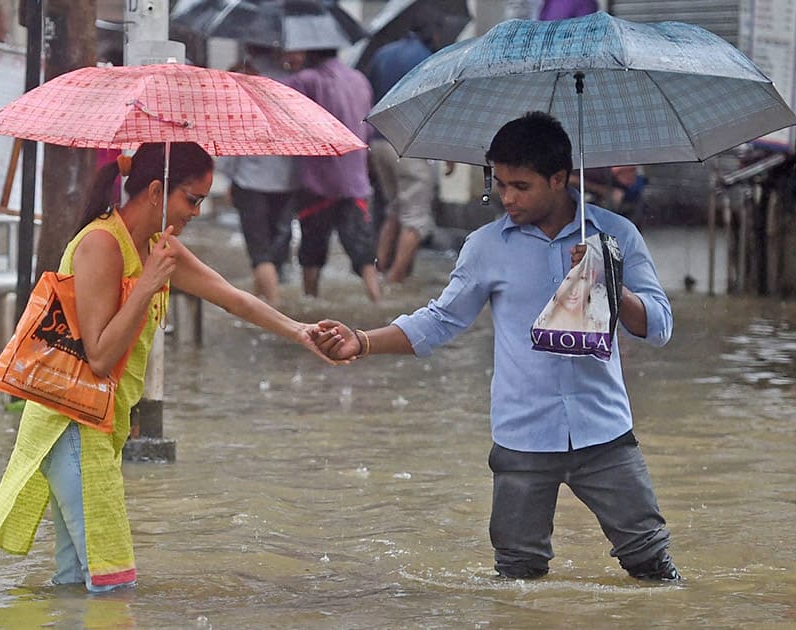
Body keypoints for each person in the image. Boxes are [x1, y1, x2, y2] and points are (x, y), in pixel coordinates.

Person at [312, 112, 680, 582]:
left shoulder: (616, 237)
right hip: (522, 435)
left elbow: (660, 327)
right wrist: (362, 342)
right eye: (500, 183)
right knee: (516, 579)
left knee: (654, 568)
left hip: (604, 431)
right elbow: (441, 320)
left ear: (560, 179)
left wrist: (610, 281)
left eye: (521, 186)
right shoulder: (486, 246)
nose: (507, 197)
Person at [0, 142, 338, 592]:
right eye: (193, 199)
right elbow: (101, 357)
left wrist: (299, 330)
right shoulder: (102, 244)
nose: (197, 212)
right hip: (72, 430)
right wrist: (146, 285)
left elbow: (232, 298)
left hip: (102, 428)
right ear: (158, 190)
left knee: (74, 584)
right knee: (113, 583)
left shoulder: (156, 248)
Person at [282, 48, 382, 303]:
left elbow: (279, 105)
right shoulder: (359, 79)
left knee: (312, 251)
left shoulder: (306, 80)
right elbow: (368, 129)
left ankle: (310, 300)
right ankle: (377, 298)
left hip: (318, 183)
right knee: (362, 249)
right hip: (354, 181)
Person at [219, 44, 302, 306]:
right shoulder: (291, 80)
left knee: (259, 251)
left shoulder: (244, 79)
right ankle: (259, 300)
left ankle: (273, 311)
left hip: (251, 179)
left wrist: (229, 176)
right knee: (276, 246)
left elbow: (234, 139)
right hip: (287, 178)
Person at [366, 22, 441, 284]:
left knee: (394, 210)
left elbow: (370, 96)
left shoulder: (382, 54)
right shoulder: (431, 60)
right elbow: (438, 106)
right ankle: (395, 282)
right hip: (410, 146)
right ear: (433, 34)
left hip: (379, 143)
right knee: (416, 219)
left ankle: (377, 272)